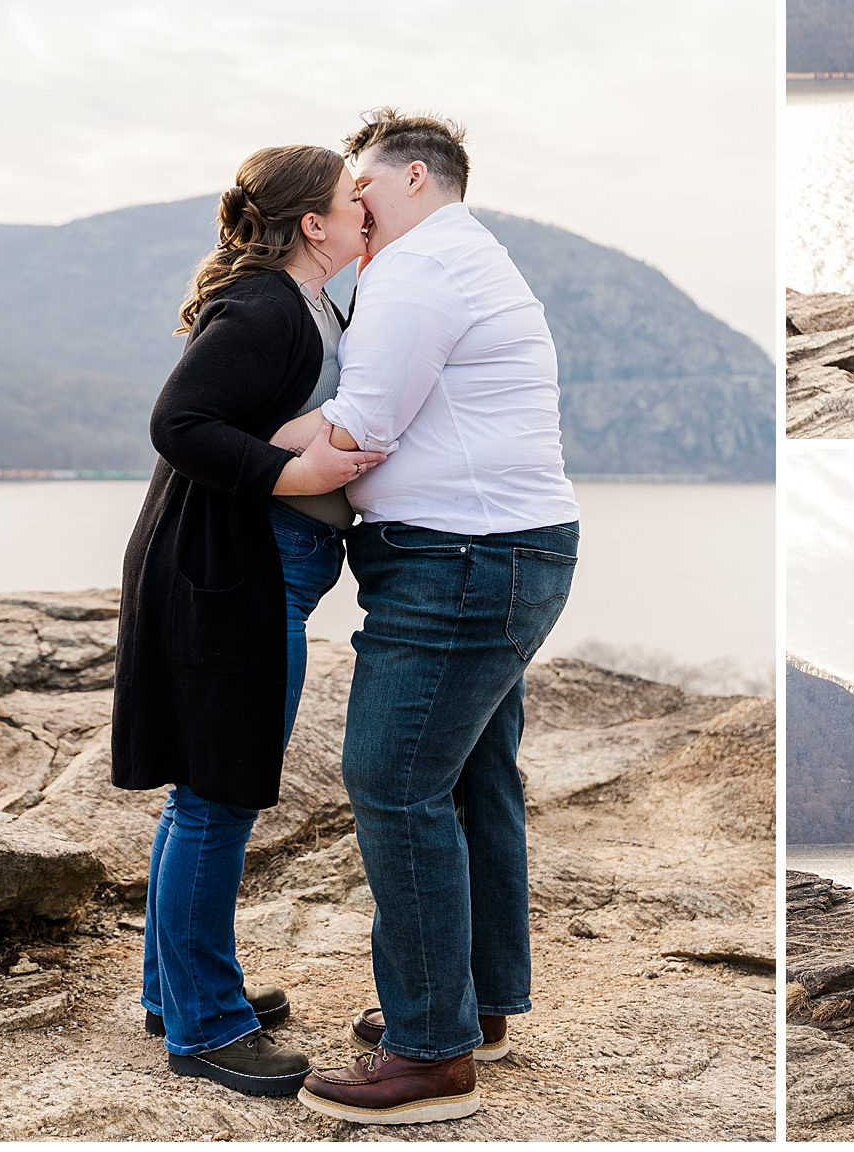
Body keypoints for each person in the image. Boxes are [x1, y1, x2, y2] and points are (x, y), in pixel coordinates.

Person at [281, 110, 581, 1126]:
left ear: (412, 179)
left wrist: (215, 436)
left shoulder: (414, 270)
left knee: (393, 780)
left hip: (460, 561)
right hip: (506, 552)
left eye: (359, 184)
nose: (348, 201)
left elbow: (358, 429)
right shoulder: (470, 256)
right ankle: (474, 1005)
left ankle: (428, 1055)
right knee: (469, 779)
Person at [111, 145, 384, 1097]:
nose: (367, 212)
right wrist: (294, 473)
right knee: (218, 800)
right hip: (234, 575)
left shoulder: (305, 302)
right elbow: (179, 421)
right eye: (355, 201)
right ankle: (207, 1027)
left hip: (248, 570)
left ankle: (172, 990)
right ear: (314, 226)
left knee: (205, 795)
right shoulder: (267, 305)